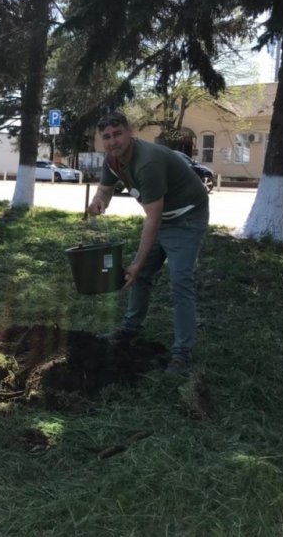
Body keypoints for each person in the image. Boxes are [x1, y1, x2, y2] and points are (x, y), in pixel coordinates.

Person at [87, 112, 209, 375]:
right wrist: (99, 201)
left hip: (187, 216)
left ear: (130, 132)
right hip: (163, 215)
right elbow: (105, 190)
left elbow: (152, 221)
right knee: (140, 276)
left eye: (118, 133)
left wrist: (137, 263)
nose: (113, 141)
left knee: (180, 282)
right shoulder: (113, 160)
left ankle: (181, 354)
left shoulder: (147, 163)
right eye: (106, 137)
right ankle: (130, 329)